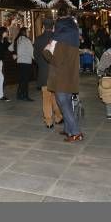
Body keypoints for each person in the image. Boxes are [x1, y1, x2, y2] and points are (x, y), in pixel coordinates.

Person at [43, 14, 83, 142]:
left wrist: (46, 51)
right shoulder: (74, 39)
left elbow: (56, 61)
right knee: (65, 104)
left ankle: (76, 132)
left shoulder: (60, 43)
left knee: (64, 105)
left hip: (61, 78)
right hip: (70, 77)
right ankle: (68, 129)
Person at [33, 18, 62, 128]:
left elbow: (35, 56)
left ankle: (49, 121)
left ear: (43, 27)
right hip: (56, 72)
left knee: (46, 97)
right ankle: (58, 117)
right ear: (53, 26)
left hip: (44, 72)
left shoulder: (38, 39)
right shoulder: (58, 39)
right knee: (56, 96)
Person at [12, 27, 34, 101]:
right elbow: (32, 53)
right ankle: (25, 96)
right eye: (27, 32)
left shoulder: (17, 40)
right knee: (25, 80)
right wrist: (37, 59)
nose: (29, 33)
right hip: (26, 62)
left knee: (21, 79)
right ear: (24, 32)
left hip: (19, 62)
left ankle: (19, 95)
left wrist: (15, 54)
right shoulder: (27, 40)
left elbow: (9, 48)